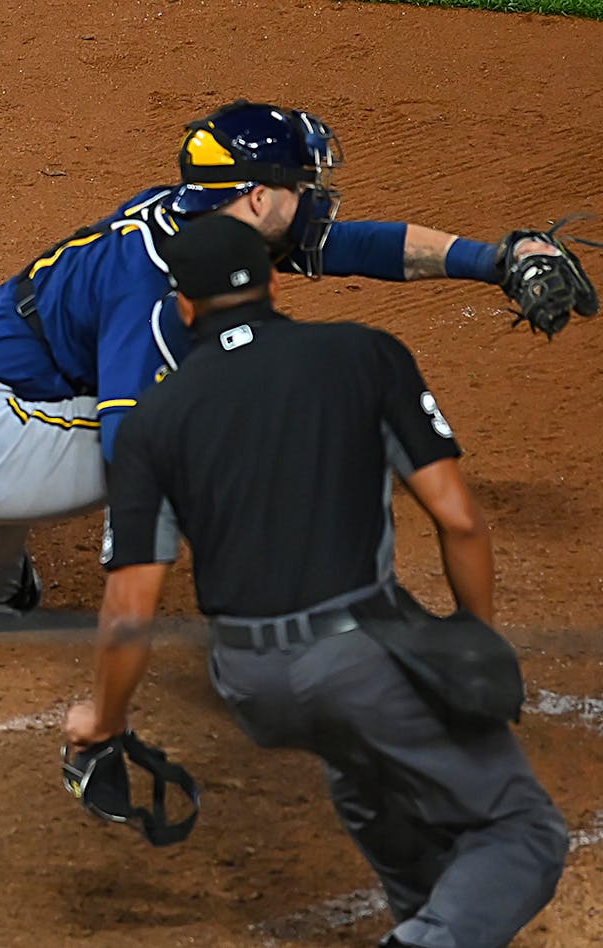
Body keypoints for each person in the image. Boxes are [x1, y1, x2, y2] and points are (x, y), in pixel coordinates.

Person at [0, 99, 596, 657]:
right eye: (301, 183)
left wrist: (495, 257)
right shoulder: (157, 281)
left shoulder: (190, 216)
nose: (315, 198)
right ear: (257, 196)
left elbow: (350, 243)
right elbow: (132, 439)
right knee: (231, 420)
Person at [62, 214, 567, 947]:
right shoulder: (364, 355)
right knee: (523, 833)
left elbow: (131, 606)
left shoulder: (152, 421)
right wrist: (473, 636)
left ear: (182, 308)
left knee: (369, 779)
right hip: (356, 657)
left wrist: (102, 721)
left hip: (251, 683)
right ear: (271, 282)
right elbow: (457, 519)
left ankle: (424, 922)